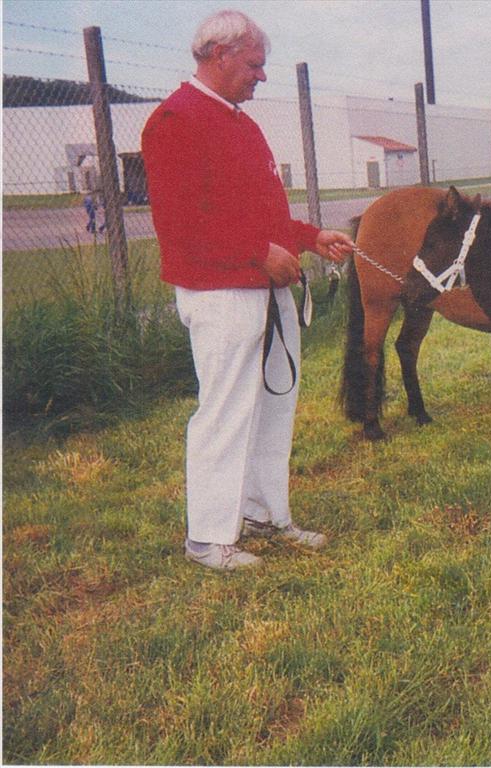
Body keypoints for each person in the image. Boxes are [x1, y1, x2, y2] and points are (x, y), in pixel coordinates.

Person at [141, 10, 354, 570]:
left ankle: (264, 512)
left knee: (274, 405)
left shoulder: (240, 122)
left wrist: (308, 238)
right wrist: (259, 252)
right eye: (255, 65)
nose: (261, 76)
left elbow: (262, 210)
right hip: (221, 291)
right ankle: (209, 537)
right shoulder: (174, 121)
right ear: (220, 55)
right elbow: (184, 220)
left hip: (265, 286)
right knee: (226, 410)